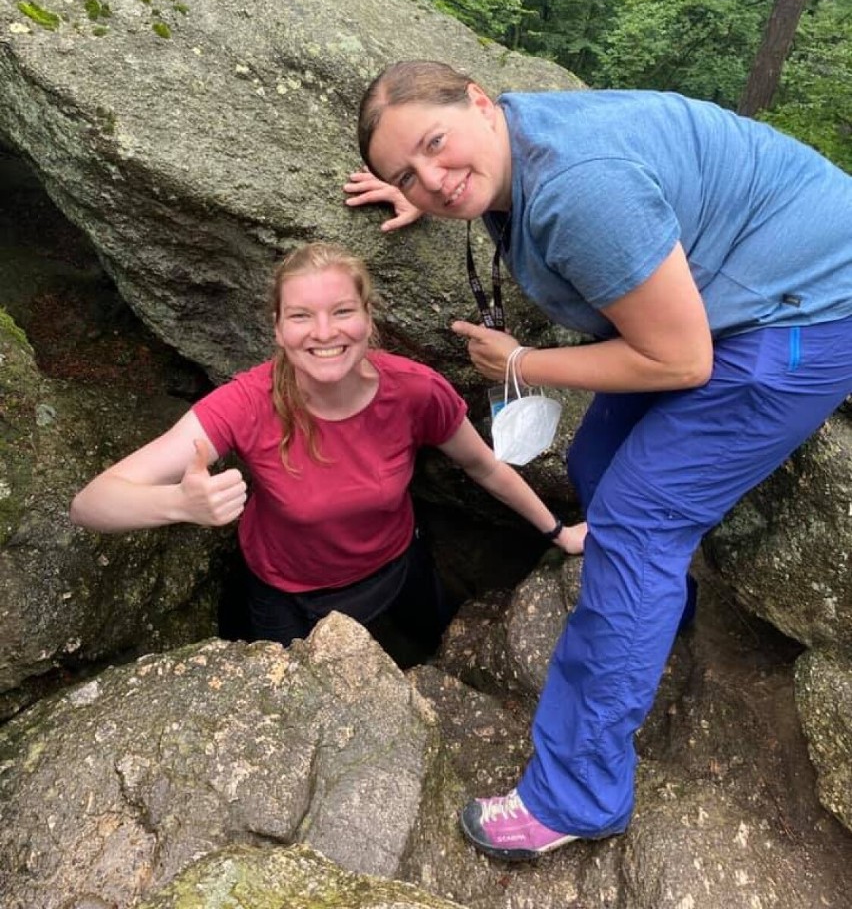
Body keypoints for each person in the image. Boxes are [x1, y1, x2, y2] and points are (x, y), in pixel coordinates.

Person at [345, 61, 852, 861]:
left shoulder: (581, 191)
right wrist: (429, 186)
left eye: (436, 147)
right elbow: (463, 171)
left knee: (635, 525)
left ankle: (577, 795)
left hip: (805, 313)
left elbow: (680, 362)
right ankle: (659, 616)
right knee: (599, 458)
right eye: (408, 171)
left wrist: (520, 363)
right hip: (745, 281)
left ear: (480, 101)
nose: (436, 180)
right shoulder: (510, 145)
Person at [71, 241, 583, 657]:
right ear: (277, 328)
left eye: (342, 311)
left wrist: (557, 531)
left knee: (433, 643)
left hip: (399, 567)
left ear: (368, 318)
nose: (323, 333)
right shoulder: (247, 404)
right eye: (301, 316)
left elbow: (483, 466)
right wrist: (178, 505)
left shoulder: (415, 391)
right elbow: (93, 503)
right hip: (286, 595)